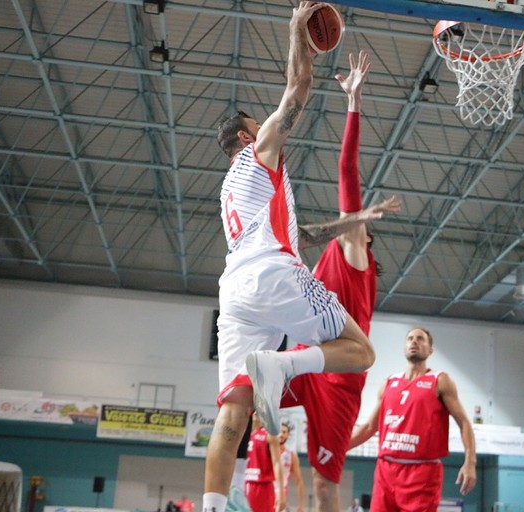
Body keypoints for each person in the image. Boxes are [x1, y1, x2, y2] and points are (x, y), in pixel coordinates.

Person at [204, 4, 382, 511]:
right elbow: (299, 86)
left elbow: (295, 232)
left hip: (235, 290)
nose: (267, 124)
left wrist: (345, 224)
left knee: (233, 415)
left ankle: (215, 506)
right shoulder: (260, 148)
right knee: (361, 351)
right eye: (257, 124)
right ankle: (282, 366)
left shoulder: (229, 191)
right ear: (246, 136)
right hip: (272, 274)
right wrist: (295, 32)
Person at [278, 50, 399, 512]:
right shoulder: (334, 251)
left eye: (360, 222)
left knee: (326, 486)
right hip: (310, 360)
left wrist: (354, 103)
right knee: (246, 394)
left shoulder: (354, 255)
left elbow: (347, 173)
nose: (354, 220)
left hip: (338, 378)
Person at [349, 327, 477, 512]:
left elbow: (464, 422)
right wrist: (338, 451)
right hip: (385, 471)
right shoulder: (389, 383)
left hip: (422, 472)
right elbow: (369, 426)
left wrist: (470, 462)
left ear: (430, 350)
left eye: (420, 339)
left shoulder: (440, 380)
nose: (414, 342)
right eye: (410, 338)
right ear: (404, 347)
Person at [245, 413, 285, 512]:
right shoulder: (243, 434)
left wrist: (281, 492)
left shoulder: (269, 435)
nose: (255, 413)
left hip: (262, 486)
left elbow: (276, 463)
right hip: (243, 484)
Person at [276, 421, 305, 512]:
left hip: (280, 493)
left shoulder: (291, 456)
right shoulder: (265, 450)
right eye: (279, 431)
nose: (281, 434)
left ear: (288, 435)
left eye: (284, 432)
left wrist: (301, 505)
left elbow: (298, 481)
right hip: (263, 488)